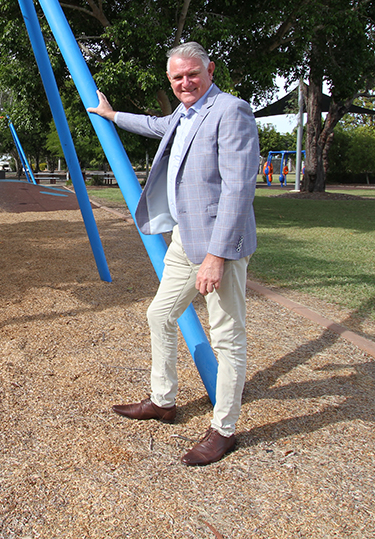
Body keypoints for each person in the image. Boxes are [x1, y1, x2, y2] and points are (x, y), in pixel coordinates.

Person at [87, 41, 259, 466]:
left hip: (221, 246)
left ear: (210, 70)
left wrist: (217, 257)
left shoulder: (230, 111)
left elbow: (240, 189)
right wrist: (111, 116)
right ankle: (163, 402)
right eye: (177, 77)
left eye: (192, 74)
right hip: (185, 240)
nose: (185, 82)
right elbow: (152, 124)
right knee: (159, 314)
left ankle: (224, 430)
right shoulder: (183, 115)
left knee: (226, 337)